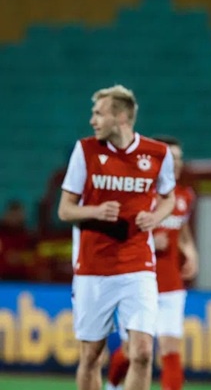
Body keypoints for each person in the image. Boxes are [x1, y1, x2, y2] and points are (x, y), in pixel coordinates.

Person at [58, 85, 176, 390]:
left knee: (143, 353)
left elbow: (169, 198)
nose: (92, 120)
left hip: (137, 266)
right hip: (94, 267)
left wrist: (156, 217)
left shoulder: (158, 154)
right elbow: (65, 210)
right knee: (91, 357)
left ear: (121, 117)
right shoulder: (85, 151)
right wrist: (96, 211)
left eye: (99, 113)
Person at [107, 136, 199, 390]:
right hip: (140, 283)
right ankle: (113, 386)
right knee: (133, 351)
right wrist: (148, 239)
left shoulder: (184, 196)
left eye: (180, 158)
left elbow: (182, 229)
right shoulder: (136, 195)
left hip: (172, 285)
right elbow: (114, 237)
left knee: (170, 349)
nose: (177, 163)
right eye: (172, 158)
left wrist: (191, 251)